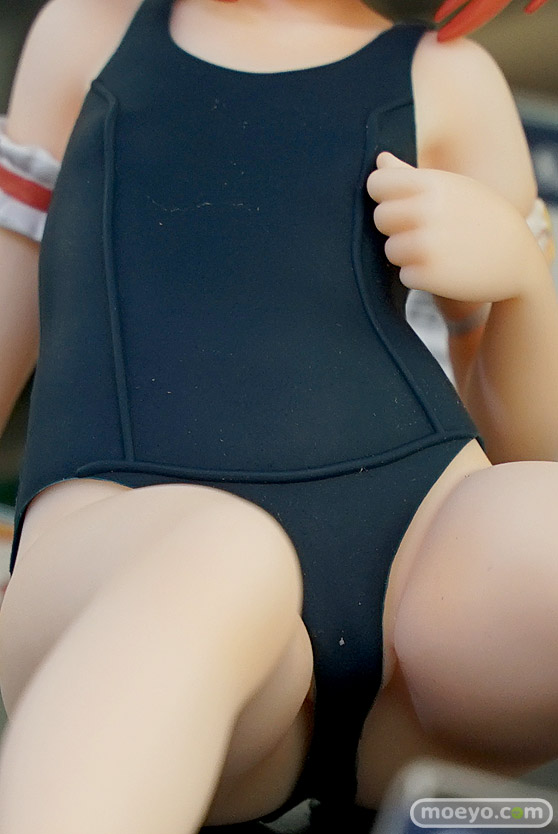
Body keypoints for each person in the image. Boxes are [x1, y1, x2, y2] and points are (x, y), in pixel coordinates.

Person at [0, 0, 556, 832]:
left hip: (427, 583)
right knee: (218, 561)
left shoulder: (449, 78)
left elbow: (532, 454)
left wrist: (518, 285)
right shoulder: (91, 33)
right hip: (143, 546)